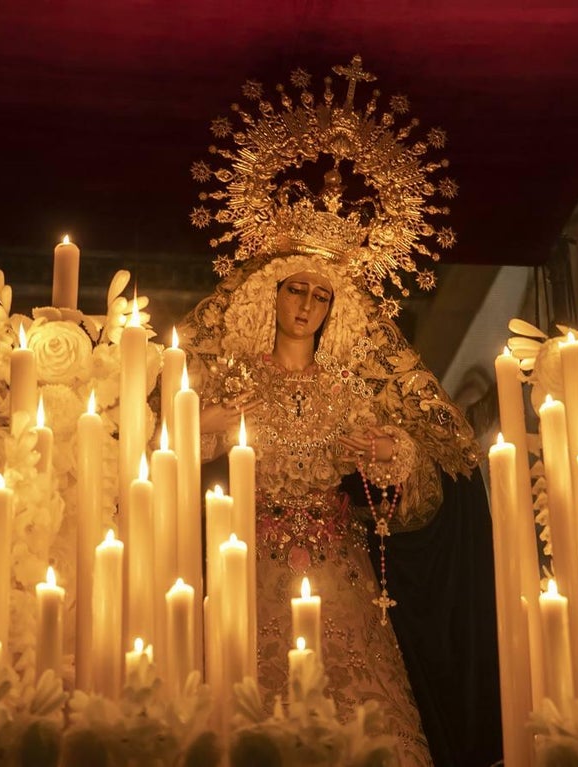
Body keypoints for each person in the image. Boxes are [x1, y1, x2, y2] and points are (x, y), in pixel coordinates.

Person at [180, 58, 502, 765]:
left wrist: (398, 459)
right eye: (296, 288)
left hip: (343, 577)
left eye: (321, 296)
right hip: (248, 567)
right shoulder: (232, 382)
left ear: (338, 309)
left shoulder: (355, 388)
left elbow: (430, 471)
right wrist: (194, 435)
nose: (307, 306)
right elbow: (162, 456)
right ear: (271, 292)